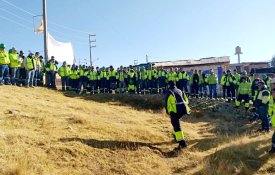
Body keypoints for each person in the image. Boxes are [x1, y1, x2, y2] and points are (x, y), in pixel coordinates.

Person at [165, 81, 190, 150]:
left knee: (177, 126)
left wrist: (167, 111)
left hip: (175, 111)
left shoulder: (169, 92)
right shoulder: (180, 90)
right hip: (183, 110)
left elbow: (166, 103)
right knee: (174, 123)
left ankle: (182, 143)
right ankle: (176, 136)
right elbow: (187, 100)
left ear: (169, 85)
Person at [268, 88, 275, 154]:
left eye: (274, 92)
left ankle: (273, 148)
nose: (273, 94)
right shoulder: (271, 99)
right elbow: (270, 107)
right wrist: (269, 114)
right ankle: (273, 148)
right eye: (272, 93)